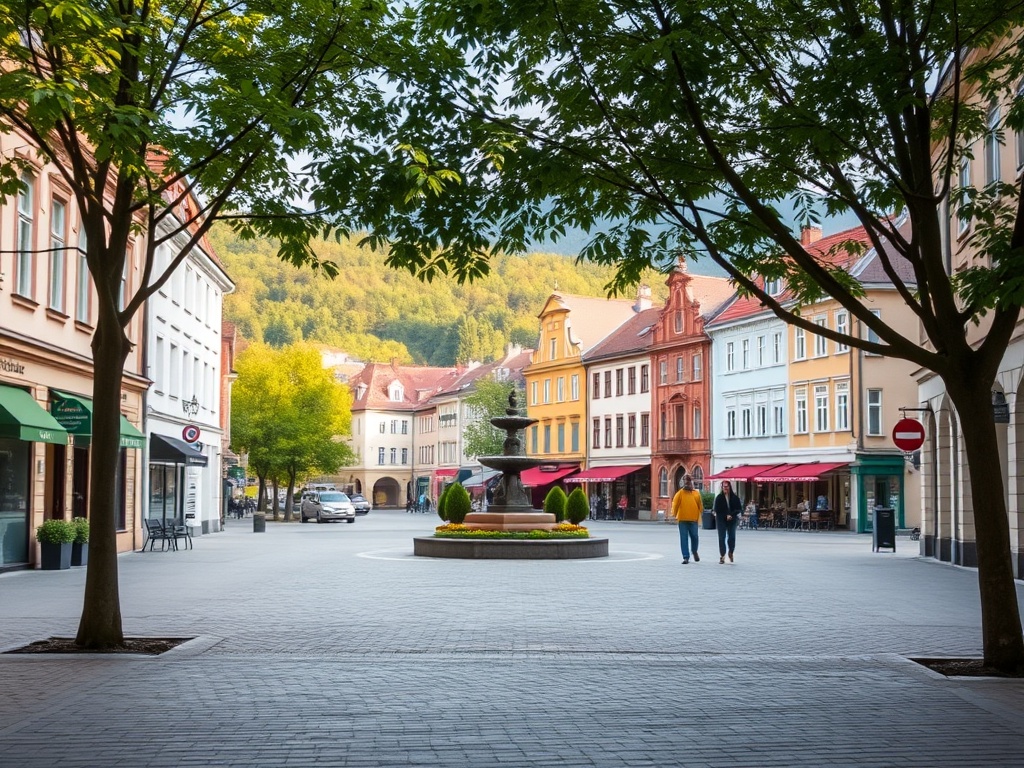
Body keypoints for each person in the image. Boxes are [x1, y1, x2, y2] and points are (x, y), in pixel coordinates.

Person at [671, 475, 703, 564]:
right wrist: (674, 514)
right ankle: (686, 557)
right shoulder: (680, 493)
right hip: (682, 520)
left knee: (695, 537)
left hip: (693, 519)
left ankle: (694, 551)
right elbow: (675, 504)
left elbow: (699, 505)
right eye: (685, 482)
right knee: (684, 538)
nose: (686, 484)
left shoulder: (695, 493)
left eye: (688, 482)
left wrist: (702, 511)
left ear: (690, 483)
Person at [713, 480, 743, 563]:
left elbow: (739, 509)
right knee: (721, 538)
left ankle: (731, 552)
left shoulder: (735, 497)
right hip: (721, 520)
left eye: (727, 486)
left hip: (732, 520)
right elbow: (717, 510)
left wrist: (731, 515)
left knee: (732, 537)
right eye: (724, 487)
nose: (725, 488)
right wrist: (726, 515)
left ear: (730, 487)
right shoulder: (719, 498)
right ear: (722, 488)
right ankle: (722, 556)